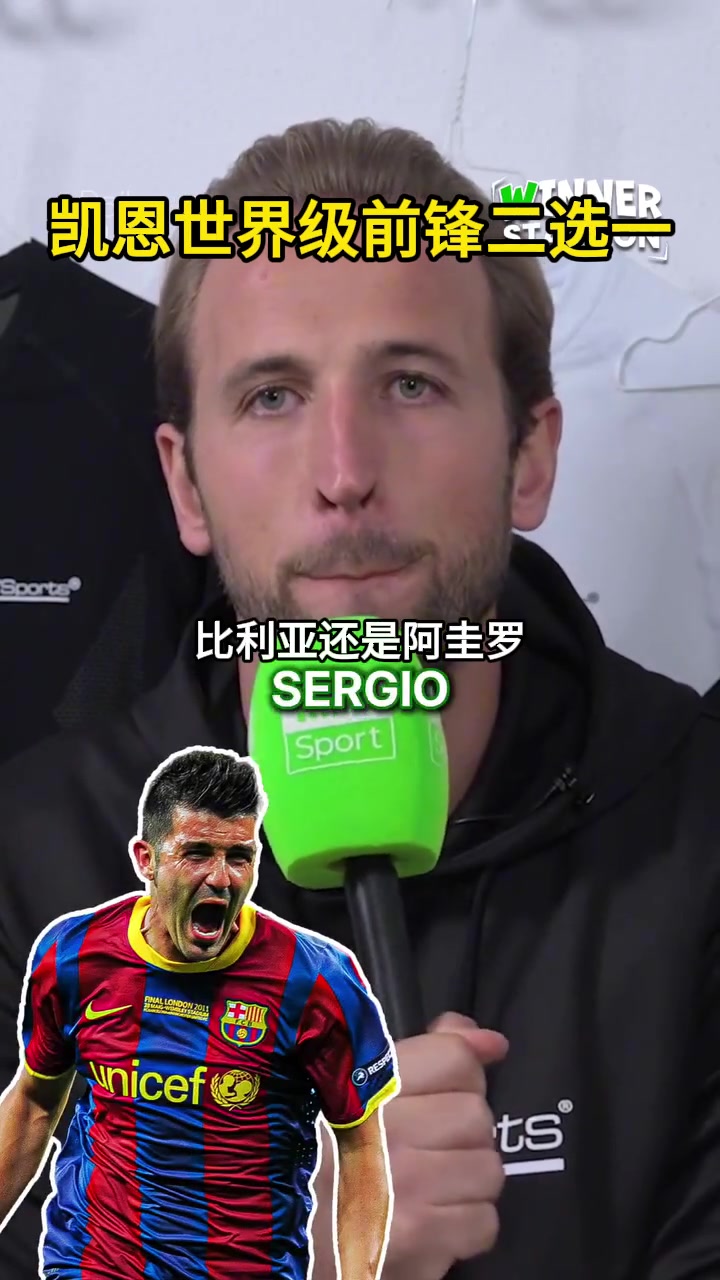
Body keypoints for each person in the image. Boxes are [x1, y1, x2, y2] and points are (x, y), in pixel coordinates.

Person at [0, 116, 718, 1280]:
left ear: (529, 455)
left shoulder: (697, 822)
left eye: (411, 383)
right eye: (272, 396)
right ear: (187, 485)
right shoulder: (29, 862)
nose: (344, 473)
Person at [0, 747, 396, 1280]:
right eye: (197, 853)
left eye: (240, 857)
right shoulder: (74, 953)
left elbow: (360, 1145)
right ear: (146, 859)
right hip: (97, 1262)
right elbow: (33, 1101)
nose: (222, 878)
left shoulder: (319, 979)